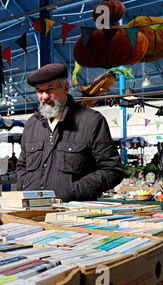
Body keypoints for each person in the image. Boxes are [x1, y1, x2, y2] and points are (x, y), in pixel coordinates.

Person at [16, 63, 124, 202]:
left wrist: (72, 191)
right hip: (33, 209)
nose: (44, 97)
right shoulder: (31, 125)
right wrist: (25, 186)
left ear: (66, 88)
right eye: (39, 91)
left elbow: (112, 170)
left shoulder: (91, 122)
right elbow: (21, 167)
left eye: (50, 89)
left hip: (73, 214)